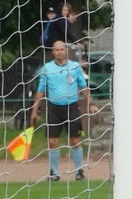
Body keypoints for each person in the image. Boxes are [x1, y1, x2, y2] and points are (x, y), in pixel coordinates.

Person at [30, 40, 95, 181]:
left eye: (62, 49)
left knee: (75, 140)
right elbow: (40, 90)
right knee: (52, 141)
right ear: (53, 52)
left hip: (71, 107)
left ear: (66, 51)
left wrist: (91, 103)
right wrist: (35, 110)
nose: (59, 52)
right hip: (53, 109)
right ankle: (54, 173)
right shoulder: (47, 68)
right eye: (56, 50)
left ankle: (79, 171)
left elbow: (83, 86)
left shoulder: (75, 67)